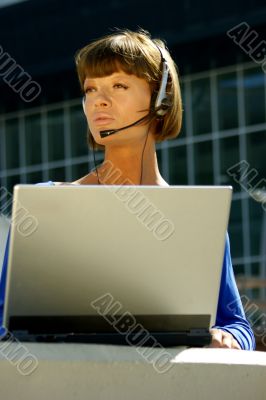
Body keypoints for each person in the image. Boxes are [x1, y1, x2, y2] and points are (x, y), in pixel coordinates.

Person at [0, 29, 255, 350]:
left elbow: (238, 326)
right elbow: (3, 322)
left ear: (160, 100)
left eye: (118, 85)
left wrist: (228, 337)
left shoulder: (198, 218)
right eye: (90, 89)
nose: (97, 100)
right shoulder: (45, 203)